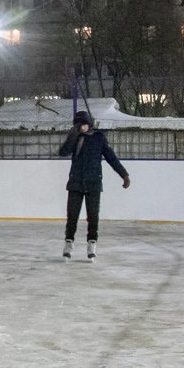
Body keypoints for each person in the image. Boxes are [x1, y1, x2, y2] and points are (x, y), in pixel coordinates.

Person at [57, 110, 129, 260]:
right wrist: (73, 135)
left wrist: (124, 174)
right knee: (72, 216)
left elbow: (111, 158)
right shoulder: (75, 138)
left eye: (83, 124)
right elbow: (63, 152)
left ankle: (91, 246)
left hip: (94, 183)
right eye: (78, 124)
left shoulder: (99, 138)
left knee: (93, 217)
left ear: (88, 124)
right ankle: (68, 245)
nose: (81, 127)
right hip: (75, 183)